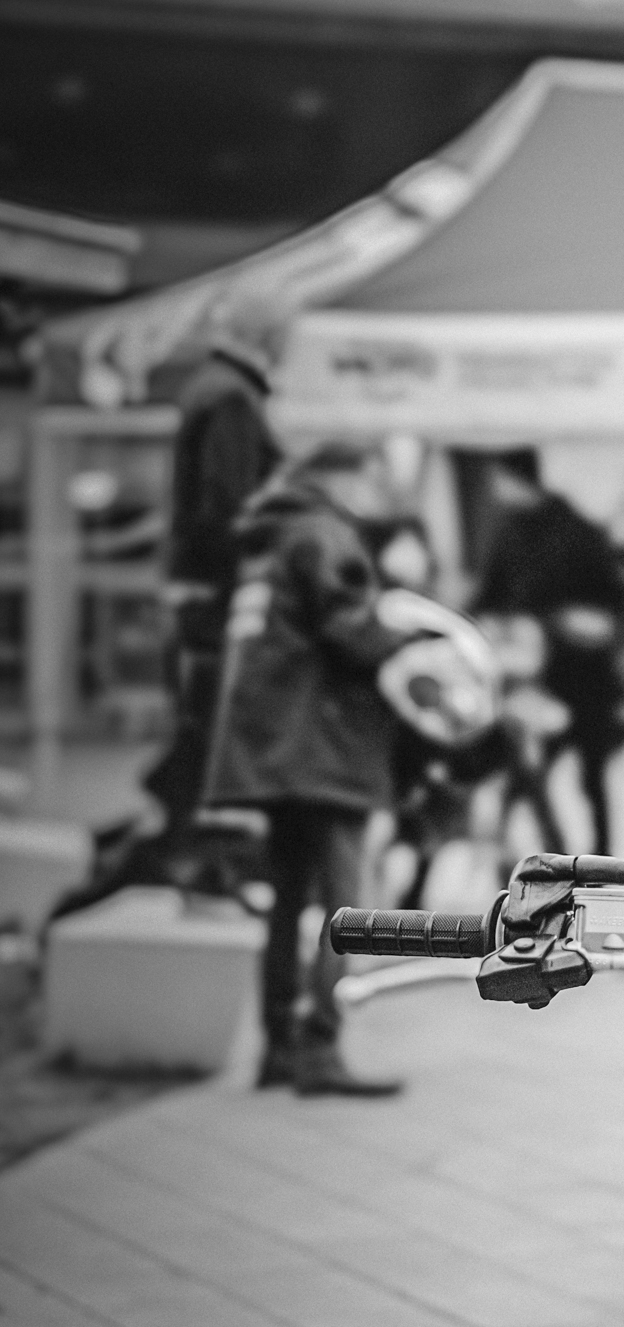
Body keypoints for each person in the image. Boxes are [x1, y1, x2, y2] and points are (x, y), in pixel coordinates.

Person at [205, 442, 411, 1097]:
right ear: (345, 475)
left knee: (288, 898)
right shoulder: (324, 533)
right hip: (325, 746)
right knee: (345, 906)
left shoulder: (267, 538)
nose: (375, 494)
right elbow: (351, 627)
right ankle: (321, 1047)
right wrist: (412, 639)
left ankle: (277, 1049)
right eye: (373, 478)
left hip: (274, 746)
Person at [145, 312, 284, 832]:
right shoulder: (232, 398)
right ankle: (183, 833)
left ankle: (177, 824)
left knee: (197, 718)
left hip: (194, 587)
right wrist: (253, 572)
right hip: (213, 592)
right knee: (209, 721)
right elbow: (229, 504)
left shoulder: (211, 387)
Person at [472, 451, 624, 856]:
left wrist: (564, 620)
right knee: (529, 774)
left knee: (587, 777)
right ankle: (553, 852)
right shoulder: (513, 533)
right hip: (533, 677)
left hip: (584, 675)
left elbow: (612, 608)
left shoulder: (575, 533)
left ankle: (599, 858)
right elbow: (490, 597)